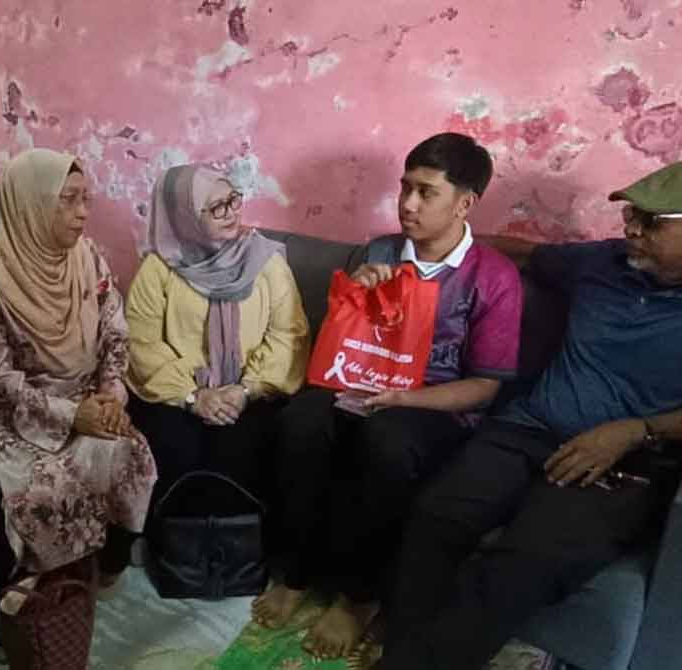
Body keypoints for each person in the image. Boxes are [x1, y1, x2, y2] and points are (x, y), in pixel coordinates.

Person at [376, 162, 682, 670]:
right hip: (527, 427)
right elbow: (517, 251)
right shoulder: (602, 261)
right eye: (632, 215)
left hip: (624, 460)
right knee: (437, 514)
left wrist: (638, 430)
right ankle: (404, 654)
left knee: (526, 560)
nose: (631, 229)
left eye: (650, 222)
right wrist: (424, 252)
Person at [252, 132, 524, 660]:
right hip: (360, 386)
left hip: (432, 406)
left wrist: (405, 400)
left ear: (465, 203)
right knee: (301, 421)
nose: (408, 204)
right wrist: (355, 294)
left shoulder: (494, 277)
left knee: (387, 441)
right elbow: (340, 348)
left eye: (426, 192)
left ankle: (359, 597)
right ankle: (297, 572)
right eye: (405, 188)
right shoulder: (380, 251)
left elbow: (485, 386)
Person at [0, 148, 157, 599]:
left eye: (86, 199)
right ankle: (33, 585)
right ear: (30, 204)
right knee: (41, 488)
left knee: (130, 453)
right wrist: (71, 415)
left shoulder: (87, 256)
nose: (82, 213)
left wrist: (111, 393)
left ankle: (101, 565)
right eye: (67, 200)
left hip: (89, 394)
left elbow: (115, 330)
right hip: (18, 409)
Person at [125, 164, 310, 521]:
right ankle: (178, 544)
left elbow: (289, 335)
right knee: (173, 445)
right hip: (176, 394)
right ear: (185, 217)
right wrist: (193, 396)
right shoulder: (158, 268)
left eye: (233, 200)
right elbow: (141, 343)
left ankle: (233, 546)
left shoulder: (265, 260)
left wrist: (245, 390)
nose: (232, 213)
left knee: (240, 447)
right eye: (216, 207)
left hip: (251, 393)